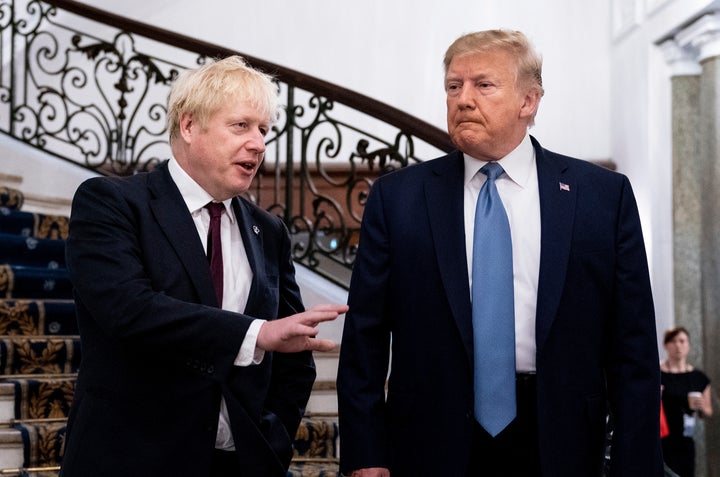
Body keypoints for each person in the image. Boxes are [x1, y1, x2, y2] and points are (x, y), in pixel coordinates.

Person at [336, 29, 663, 476]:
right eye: (454, 86)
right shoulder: (398, 199)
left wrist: (637, 462)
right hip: (430, 441)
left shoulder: (602, 197)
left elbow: (633, 346)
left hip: (562, 439)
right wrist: (365, 455)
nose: (463, 99)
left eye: (483, 85)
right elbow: (364, 340)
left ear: (529, 101)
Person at [60, 55, 348, 477]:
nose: (259, 144)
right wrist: (257, 333)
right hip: (131, 461)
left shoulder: (268, 231)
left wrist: (273, 441)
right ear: (189, 126)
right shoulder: (112, 202)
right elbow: (130, 310)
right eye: (241, 126)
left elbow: (294, 359)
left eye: (264, 130)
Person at [660, 326, 713, 477]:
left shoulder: (698, 377)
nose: (678, 345)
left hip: (684, 439)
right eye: (673, 341)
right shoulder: (658, 373)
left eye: (682, 341)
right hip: (661, 436)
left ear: (688, 345)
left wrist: (701, 406)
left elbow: (708, 412)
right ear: (666, 345)